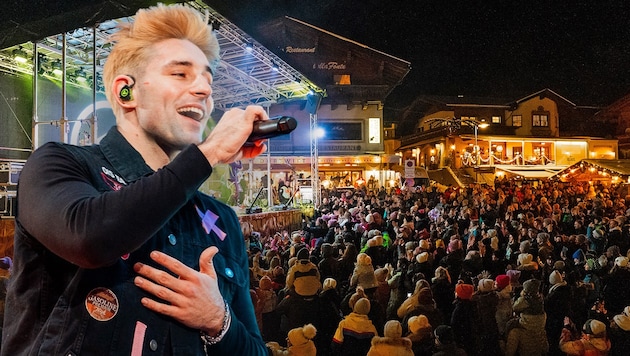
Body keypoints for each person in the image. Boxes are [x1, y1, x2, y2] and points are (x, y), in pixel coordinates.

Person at [1, 4, 270, 355]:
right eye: (180, 74)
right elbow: (90, 238)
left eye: (207, 77)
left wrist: (219, 321)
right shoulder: (59, 164)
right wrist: (209, 152)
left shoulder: (222, 222)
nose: (204, 89)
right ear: (126, 92)